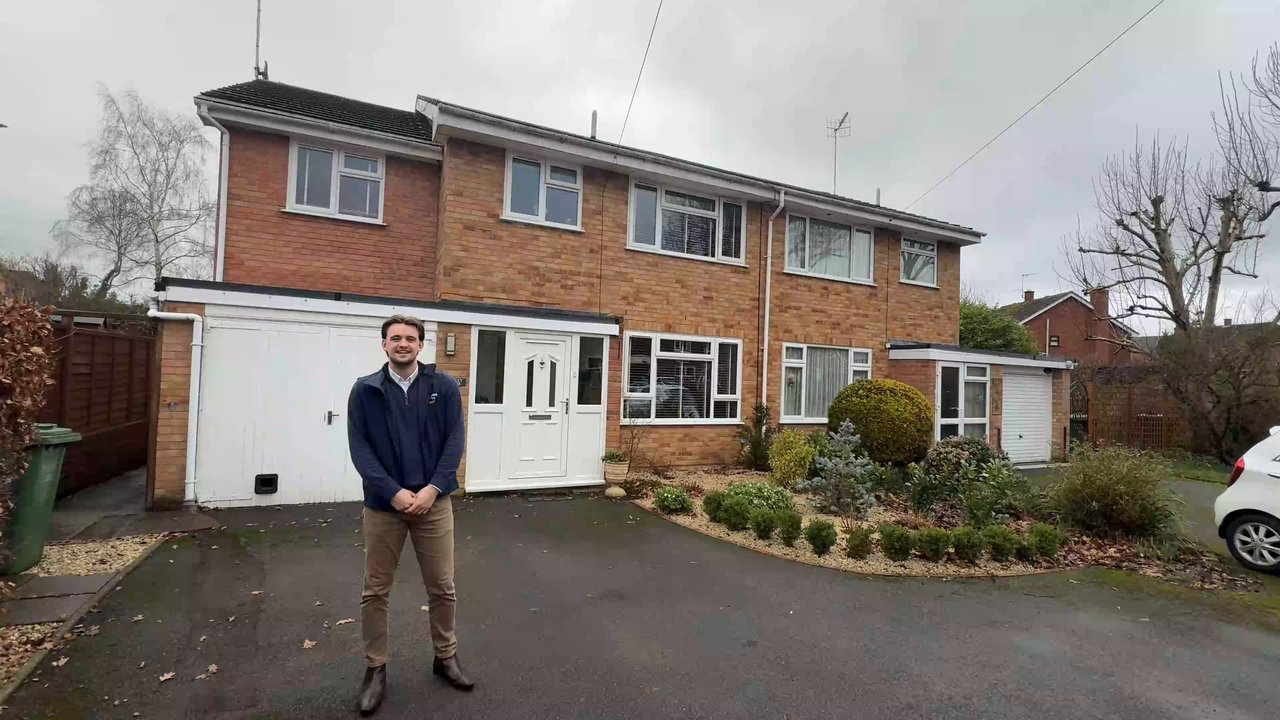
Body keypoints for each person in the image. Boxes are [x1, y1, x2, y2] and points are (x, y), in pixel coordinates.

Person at [347, 314, 474, 715]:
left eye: (410, 338)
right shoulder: (365, 390)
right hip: (384, 507)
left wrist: (433, 488)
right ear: (384, 344)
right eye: (395, 338)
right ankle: (376, 668)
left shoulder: (443, 387)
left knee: (442, 587)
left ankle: (445, 657)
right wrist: (394, 492)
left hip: (434, 504)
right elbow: (360, 449)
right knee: (375, 591)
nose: (402, 343)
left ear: (421, 345)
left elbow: (455, 441)